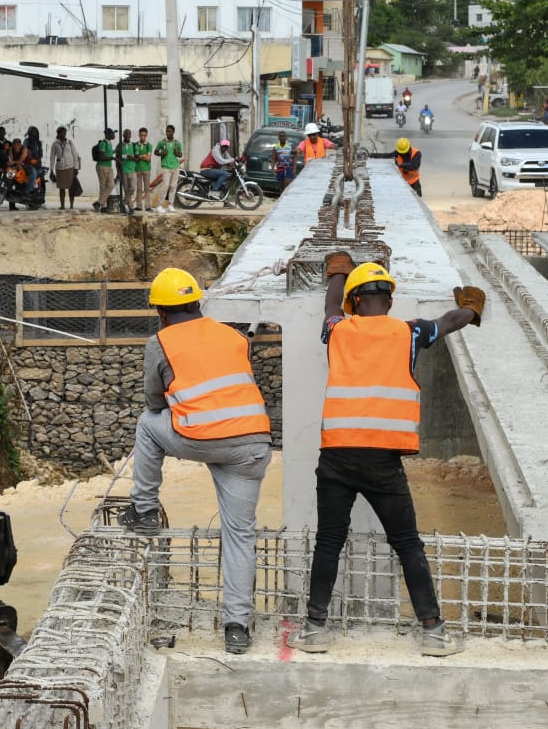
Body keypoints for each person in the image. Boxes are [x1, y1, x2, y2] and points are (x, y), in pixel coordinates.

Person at [287, 258, 485, 658]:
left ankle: (314, 629)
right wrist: (471, 308)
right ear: (389, 302)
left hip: (337, 455)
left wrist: (337, 275)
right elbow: (449, 322)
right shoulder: (408, 333)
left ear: (354, 302)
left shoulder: (338, 329)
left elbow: (329, 307)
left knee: (328, 542)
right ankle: (433, 632)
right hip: (383, 461)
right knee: (407, 544)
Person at [118, 268, 271, 655]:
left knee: (147, 424)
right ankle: (237, 626)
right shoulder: (233, 335)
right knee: (240, 534)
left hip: (198, 437)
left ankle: (145, 510)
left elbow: (154, 402)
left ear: (161, 313)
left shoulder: (161, 341)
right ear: (198, 303)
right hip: (252, 444)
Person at [150, 124, 183, 213]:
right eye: (167, 131)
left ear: (173, 132)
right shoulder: (162, 142)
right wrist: (162, 153)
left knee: (173, 186)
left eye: (169, 131)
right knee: (165, 186)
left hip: (175, 166)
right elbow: (155, 152)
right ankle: (159, 205)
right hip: (166, 167)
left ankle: (170, 205)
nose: (167, 133)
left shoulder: (177, 143)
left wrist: (177, 153)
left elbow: (180, 154)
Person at [50, 125, 81, 210]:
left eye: (65, 132)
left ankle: (71, 205)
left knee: (71, 188)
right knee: (62, 188)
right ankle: (62, 206)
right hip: (60, 168)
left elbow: (75, 155)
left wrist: (76, 167)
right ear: (58, 133)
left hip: (70, 167)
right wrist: (51, 170)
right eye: (62, 132)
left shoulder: (70, 143)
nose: (64, 134)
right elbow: (52, 157)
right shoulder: (55, 144)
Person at [92, 127, 117, 212]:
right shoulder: (103, 143)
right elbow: (102, 156)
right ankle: (103, 206)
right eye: (112, 133)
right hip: (102, 166)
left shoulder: (109, 143)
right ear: (107, 135)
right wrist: (113, 158)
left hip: (108, 166)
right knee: (103, 186)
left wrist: (114, 151)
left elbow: (108, 152)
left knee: (111, 185)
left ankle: (99, 203)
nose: (114, 135)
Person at [130, 127, 153, 214]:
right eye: (141, 135)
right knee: (139, 188)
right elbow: (136, 158)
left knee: (147, 188)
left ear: (146, 135)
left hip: (147, 169)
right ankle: (139, 206)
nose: (143, 137)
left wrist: (141, 156)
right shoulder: (136, 145)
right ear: (139, 135)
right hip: (137, 169)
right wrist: (143, 156)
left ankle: (148, 206)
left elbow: (148, 159)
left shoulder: (149, 145)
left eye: (144, 135)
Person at [117, 128, 140, 215]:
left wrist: (132, 158)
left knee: (133, 188)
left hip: (132, 170)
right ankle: (130, 208)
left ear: (130, 136)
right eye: (126, 134)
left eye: (129, 134)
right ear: (123, 135)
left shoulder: (134, 145)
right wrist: (118, 171)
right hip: (123, 170)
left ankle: (122, 203)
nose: (127, 136)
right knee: (126, 190)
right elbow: (117, 160)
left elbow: (137, 159)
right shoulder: (120, 145)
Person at [23, 126, 44, 195]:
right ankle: (27, 192)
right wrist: (30, 159)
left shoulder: (39, 142)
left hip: (38, 165)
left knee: (42, 180)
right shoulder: (26, 141)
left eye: (35, 131)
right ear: (29, 132)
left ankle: (42, 199)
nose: (34, 133)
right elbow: (25, 151)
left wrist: (37, 160)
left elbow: (41, 154)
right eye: (32, 131)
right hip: (28, 164)